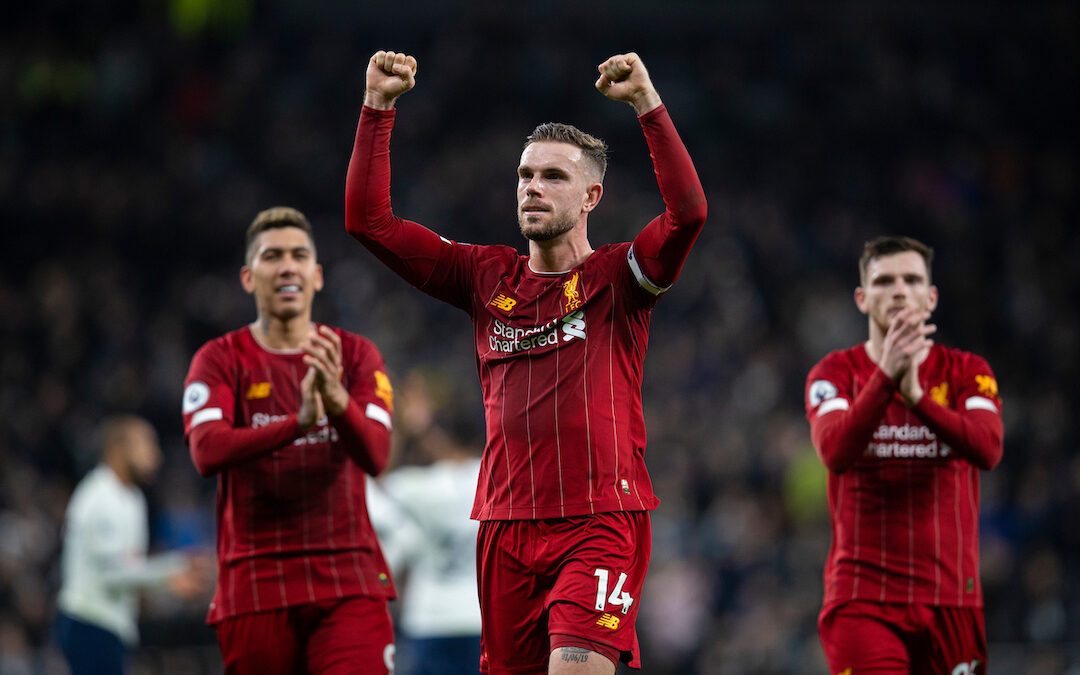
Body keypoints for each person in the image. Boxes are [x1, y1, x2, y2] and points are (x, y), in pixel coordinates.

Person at [345, 50, 708, 675]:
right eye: (525, 175)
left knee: (575, 665)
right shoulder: (483, 276)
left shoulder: (618, 278)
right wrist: (377, 108)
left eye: (553, 177)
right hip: (505, 527)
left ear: (592, 195)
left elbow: (688, 215)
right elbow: (368, 222)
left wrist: (648, 104)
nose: (533, 187)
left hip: (599, 518)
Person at [181, 206, 398, 674]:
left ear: (316, 276)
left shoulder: (356, 355)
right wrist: (297, 423)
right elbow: (206, 450)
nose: (287, 266)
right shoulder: (218, 360)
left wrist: (337, 400)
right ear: (247, 276)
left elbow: (377, 455)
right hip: (256, 582)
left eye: (299, 255)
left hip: (348, 579)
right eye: (271, 255)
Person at [804, 236, 1004, 674]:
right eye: (884, 281)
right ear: (861, 298)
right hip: (862, 600)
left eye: (912, 279)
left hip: (952, 599)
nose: (899, 290)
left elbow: (988, 449)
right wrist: (887, 378)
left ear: (931, 297)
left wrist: (916, 397)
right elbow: (835, 451)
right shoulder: (835, 374)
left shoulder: (968, 372)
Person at [54, 414, 211, 675]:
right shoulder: (100, 496)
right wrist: (171, 570)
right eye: (145, 445)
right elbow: (112, 573)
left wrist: (171, 572)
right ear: (117, 450)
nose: (155, 455)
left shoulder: (131, 497)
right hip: (90, 622)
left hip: (110, 625)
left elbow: (129, 566)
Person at [366, 371, 483, 675]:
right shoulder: (492, 480)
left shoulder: (421, 487)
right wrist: (426, 429)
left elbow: (379, 478)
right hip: (480, 617)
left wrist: (407, 430)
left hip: (429, 619)